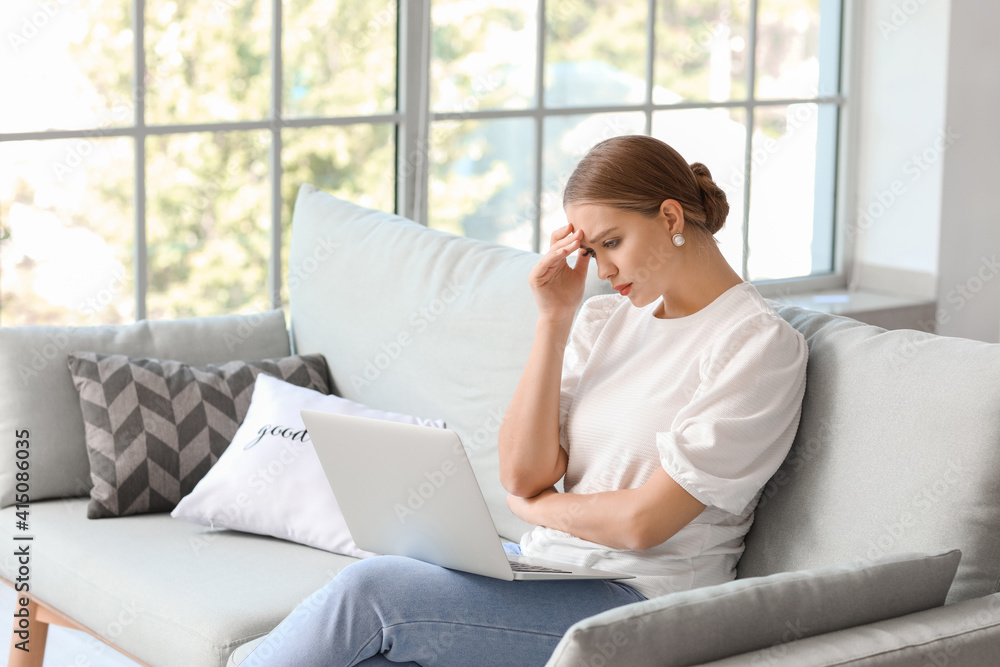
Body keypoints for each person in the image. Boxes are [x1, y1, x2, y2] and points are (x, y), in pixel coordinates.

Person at [237, 134, 808, 666]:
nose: (603, 270)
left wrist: (535, 510)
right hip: (544, 570)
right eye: (590, 250)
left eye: (612, 243)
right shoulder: (606, 319)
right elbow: (522, 472)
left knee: (374, 592)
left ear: (669, 217)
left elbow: (642, 524)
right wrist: (553, 320)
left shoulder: (756, 345)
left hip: (642, 601)